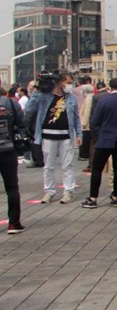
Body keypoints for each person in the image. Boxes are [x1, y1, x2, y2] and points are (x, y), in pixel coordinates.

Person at [25, 72, 82, 204]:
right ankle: (49, 191)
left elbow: (76, 118)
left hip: (66, 136)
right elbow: (29, 109)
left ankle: (68, 191)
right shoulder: (44, 97)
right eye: (67, 82)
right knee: (48, 166)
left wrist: (79, 134)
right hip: (48, 135)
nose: (69, 85)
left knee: (68, 165)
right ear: (59, 82)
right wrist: (36, 90)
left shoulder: (71, 98)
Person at [82, 78, 117, 209]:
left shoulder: (103, 101)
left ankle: (93, 198)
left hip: (105, 139)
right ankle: (116, 197)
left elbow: (95, 120)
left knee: (97, 168)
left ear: (109, 87)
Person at [0, 88, 26, 233]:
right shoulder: (10, 102)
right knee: (12, 188)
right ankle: (13, 223)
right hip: (7, 149)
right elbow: (22, 122)